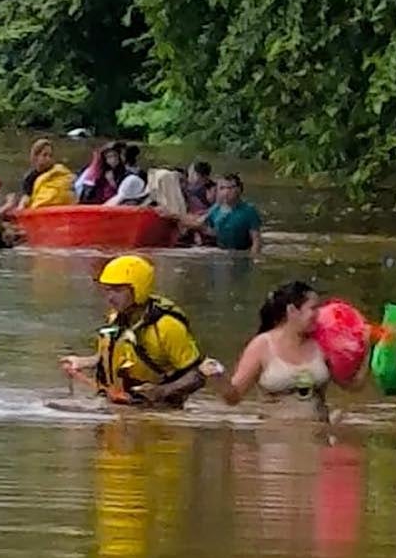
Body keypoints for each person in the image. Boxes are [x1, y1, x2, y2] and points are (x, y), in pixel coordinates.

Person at [201, 281, 367, 421]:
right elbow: (234, 397)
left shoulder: (322, 344)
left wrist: (368, 350)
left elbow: (352, 386)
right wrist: (218, 377)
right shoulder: (262, 346)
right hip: (273, 445)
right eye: (313, 309)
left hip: (316, 444)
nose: (319, 314)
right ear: (292, 311)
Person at [59, 255, 206, 407]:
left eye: (117, 290)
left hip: (158, 413)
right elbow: (111, 355)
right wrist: (82, 362)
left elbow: (197, 375)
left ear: (138, 289)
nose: (110, 298)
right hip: (119, 407)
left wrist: (160, 392)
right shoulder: (115, 317)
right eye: (107, 290)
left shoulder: (167, 326)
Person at [185, 173, 262, 253]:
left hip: (242, 252)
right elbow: (200, 223)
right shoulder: (216, 208)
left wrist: (254, 258)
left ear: (239, 189)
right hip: (222, 252)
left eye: (230, 188)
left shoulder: (249, 211)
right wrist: (180, 219)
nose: (226, 192)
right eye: (222, 188)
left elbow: (256, 240)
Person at [13, 138, 75, 210]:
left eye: (50, 156)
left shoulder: (59, 172)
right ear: (36, 157)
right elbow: (26, 198)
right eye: (44, 155)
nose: (48, 159)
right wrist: (20, 209)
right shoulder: (30, 178)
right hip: (41, 210)